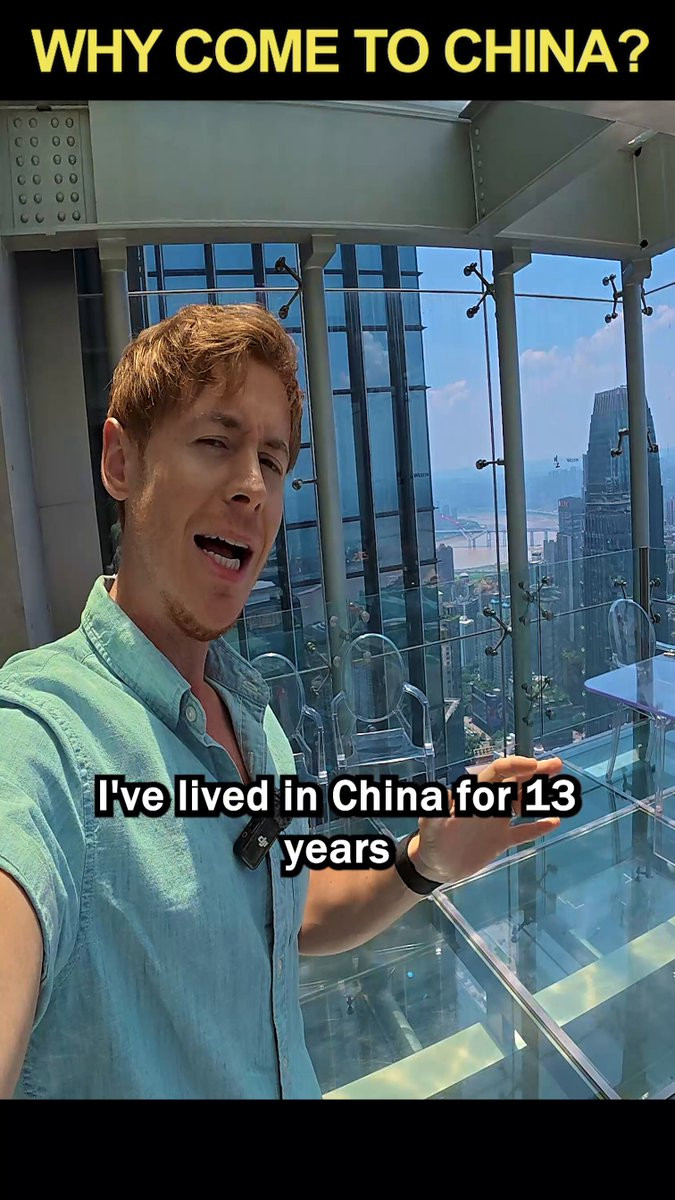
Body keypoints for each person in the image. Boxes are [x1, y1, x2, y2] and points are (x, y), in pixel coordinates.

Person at [0, 303, 562, 1099]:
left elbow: (286, 913)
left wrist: (422, 861)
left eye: (270, 459)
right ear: (121, 462)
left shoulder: (252, 718)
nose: (250, 487)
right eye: (215, 442)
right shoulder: (39, 739)